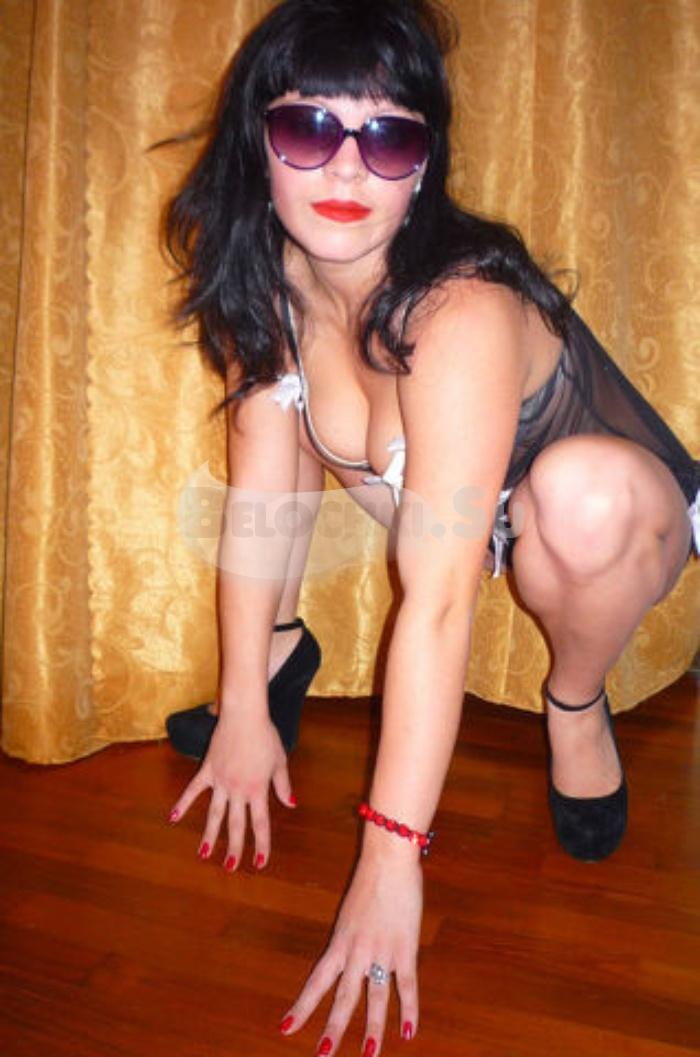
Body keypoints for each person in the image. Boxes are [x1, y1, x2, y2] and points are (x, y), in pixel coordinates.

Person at [163, 1, 699, 1052]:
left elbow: (441, 599)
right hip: (447, 515)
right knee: (271, 443)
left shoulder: (457, 309)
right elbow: (263, 504)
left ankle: (574, 699)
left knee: (582, 496)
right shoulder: (269, 283)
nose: (346, 168)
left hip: (592, 520)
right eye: (309, 127)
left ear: (423, 168)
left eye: (389, 137)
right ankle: (282, 657)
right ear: (256, 144)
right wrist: (241, 707)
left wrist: (389, 854)